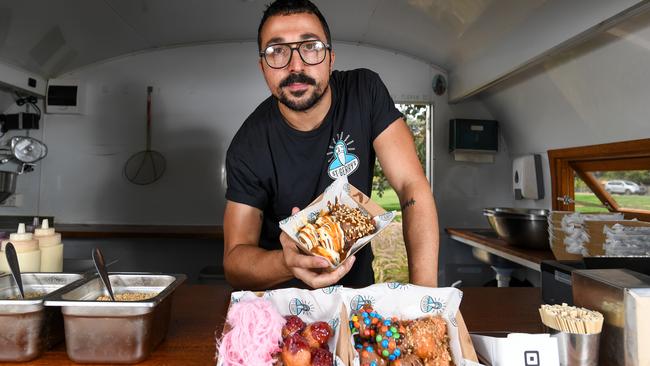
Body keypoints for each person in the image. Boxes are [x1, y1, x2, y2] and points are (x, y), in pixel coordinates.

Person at [223, 0, 439, 290]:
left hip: (355, 298)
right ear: (263, 67)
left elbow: (411, 185)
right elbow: (234, 260)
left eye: (310, 46)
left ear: (331, 58)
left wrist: (424, 300)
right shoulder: (247, 147)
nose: (295, 65)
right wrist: (287, 263)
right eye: (277, 51)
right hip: (284, 312)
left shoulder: (365, 91)